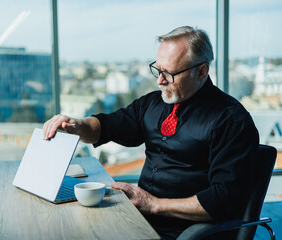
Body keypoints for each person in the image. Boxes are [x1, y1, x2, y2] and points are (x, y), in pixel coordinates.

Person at [43, 26, 259, 239]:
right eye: (158, 69)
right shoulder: (152, 104)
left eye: (169, 74)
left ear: (201, 71)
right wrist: (77, 126)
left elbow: (224, 200)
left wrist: (153, 204)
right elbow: (106, 127)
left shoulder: (231, 120)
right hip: (140, 221)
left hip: (186, 233)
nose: (159, 81)